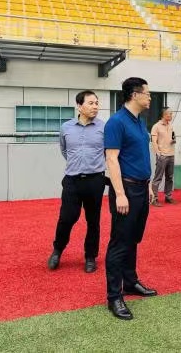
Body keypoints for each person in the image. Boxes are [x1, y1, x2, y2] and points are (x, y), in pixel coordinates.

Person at [104, 77, 157, 321]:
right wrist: (120, 194)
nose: (150, 97)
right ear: (135, 95)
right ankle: (114, 296)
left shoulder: (140, 121)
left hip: (141, 188)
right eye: (147, 93)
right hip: (125, 189)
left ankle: (131, 282)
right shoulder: (116, 122)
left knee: (133, 238)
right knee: (119, 242)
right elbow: (112, 159)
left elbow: (140, 155)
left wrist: (148, 186)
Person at [48, 90, 105, 274]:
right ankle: (57, 250)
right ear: (79, 106)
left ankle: (90, 257)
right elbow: (64, 151)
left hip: (95, 180)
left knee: (93, 221)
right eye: (91, 103)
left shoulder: (104, 127)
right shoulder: (66, 127)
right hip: (72, 180)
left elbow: (108, 152)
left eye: (96, 103)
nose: (95, 106)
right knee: (66, 218)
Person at [150, 107, 177, 206]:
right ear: (164, 115)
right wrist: (158, 153)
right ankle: (154, 198)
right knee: (158, 178)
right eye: (170, 113)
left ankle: (168, 197)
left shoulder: (171, 125)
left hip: (171, 154)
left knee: (170, 177)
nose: (171, 115)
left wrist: (173, 140)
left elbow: (173, 137)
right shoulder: (156, 126)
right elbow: (154, 142)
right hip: (162, 156)